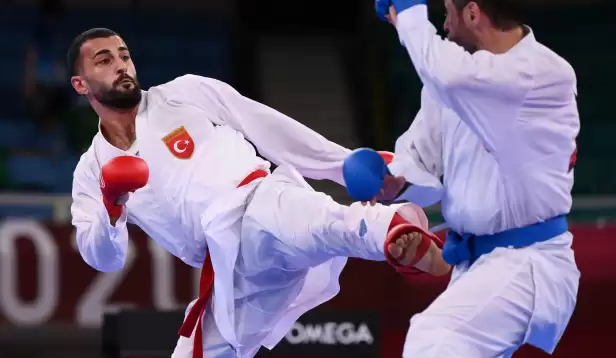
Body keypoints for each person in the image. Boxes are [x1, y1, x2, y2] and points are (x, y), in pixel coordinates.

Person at [67, 28, 450, 358]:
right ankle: (386, 232)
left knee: (316, 221)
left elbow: (271, 129)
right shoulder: (91, 171)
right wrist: (112, 207)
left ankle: (392, 230)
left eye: (124, 56)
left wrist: (343, 165)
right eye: (104, 60)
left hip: (256, 199)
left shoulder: (183, 93)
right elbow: (105, 258)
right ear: (80, 84)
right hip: (228, 267)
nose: (121, 65)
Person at [367, 0, 580, 357]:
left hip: (529, 261)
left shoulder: (541, 74)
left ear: (471, 13)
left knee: (434, 339)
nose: (445, 26)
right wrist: (397, 181)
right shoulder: (452, 84)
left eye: (448, 13)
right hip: (474, 266)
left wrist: (411, 18)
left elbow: (447, 74)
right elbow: (421, 156)